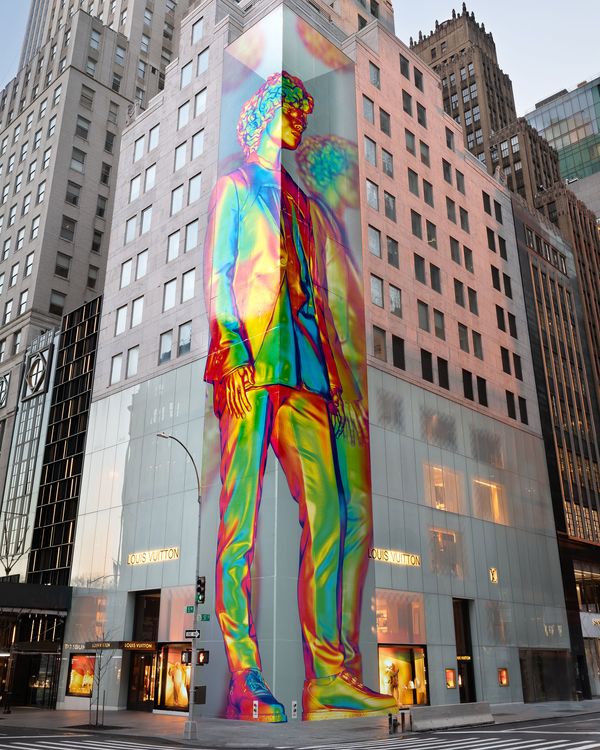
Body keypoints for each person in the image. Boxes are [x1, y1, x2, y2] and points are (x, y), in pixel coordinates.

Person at [204, 71, 396, 722]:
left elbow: (318, 297)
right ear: (265, 117)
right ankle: (243, 675)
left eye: (305, 115)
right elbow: (218, 276)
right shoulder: (234, 190)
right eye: (293, 113)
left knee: (334, 516)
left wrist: (340, 381)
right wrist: (231, 350)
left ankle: (329, 678)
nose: (300, 124)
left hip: (309, 374)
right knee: (240, 529)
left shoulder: (304, 205)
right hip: (252, 369)